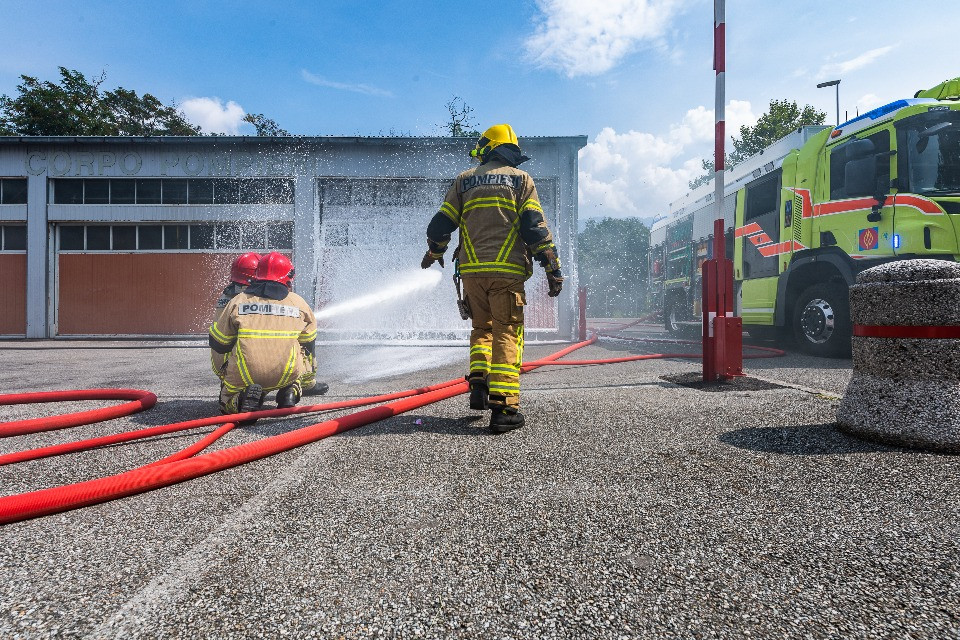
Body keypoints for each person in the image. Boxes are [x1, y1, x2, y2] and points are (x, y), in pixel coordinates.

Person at [421, 123, 563, 433]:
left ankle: (478, 384)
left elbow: (440, 227)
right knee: (507, 332)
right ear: (509, 152)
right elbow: (534, 229)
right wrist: (553, 268)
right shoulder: (520, 181)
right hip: (507, 273)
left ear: (486, 149)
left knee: (482, 328)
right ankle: (504, 408)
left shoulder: (464, 180)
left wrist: (435, 252)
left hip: (471, 274)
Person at [209, 252, 322, 414]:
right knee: (302, 347)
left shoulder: (237, 301)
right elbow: (309, 344)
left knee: (227, 401)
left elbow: (219, 345)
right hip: (286, 374)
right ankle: (291, 391)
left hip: (244, 375)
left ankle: (240, 401)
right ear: (287, 278)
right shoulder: (298, 302)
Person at [211, 252, 261, 381]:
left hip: (221, 365)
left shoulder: (228, 295)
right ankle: (299, 382)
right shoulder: (246, 299)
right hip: (242, 366)